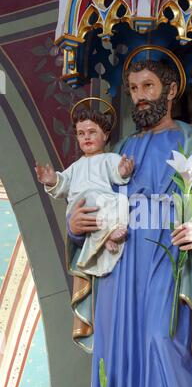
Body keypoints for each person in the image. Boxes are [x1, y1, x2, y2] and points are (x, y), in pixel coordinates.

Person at [67, 50, 192, 387]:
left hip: (169, 265)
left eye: (148, 85)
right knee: (114, 362)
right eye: (133, 88)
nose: (140, 96)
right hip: (118, 271)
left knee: (160, 346)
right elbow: (85, 204)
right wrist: (77, 227)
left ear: (172, 88)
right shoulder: (115, 154)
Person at [35, 109, 134, 277]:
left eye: (92, 132)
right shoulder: (75, 166)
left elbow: (117, 174)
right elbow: (62, 184)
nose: (86, 137)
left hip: (102, 203)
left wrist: (123, 171)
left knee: (121, 201)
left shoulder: (109, 158)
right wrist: (52, 180)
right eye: (81, 134)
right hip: (81, 204)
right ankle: (106, 237)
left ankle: (106, 238)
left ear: (105, 135)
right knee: (93, 198)